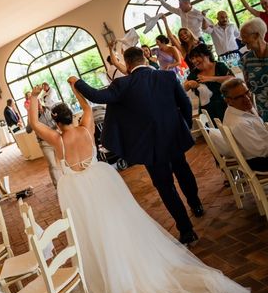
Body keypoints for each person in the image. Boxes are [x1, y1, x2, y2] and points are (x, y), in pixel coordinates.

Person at [28, 78, 250, 293]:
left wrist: (34, 97)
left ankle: (108, 275)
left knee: (91, 234)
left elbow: (34, 124)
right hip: (102, 180)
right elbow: (87, 103)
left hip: (79, 192)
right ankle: (132, 260)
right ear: (71, 115)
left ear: (57, 123)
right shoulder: (85, 127)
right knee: (121, 223)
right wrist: (75, 87)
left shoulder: (58, 140)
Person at [74, 47, 203, 246]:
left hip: (149, 145)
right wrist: (180, 128)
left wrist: (77, 82)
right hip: (173, 137)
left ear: (127, 64)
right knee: (183, 170)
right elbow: (185, 104)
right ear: (144, 59)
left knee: (165, 186)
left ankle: (186, 230)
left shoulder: (122, 84)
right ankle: (196, 205)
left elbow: (97, 97)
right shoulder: (166, 77)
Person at [221, 78, 268, 172]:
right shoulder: (239, 123)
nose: (247, 98)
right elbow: (261, 151)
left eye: (247, 92)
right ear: (228, 101)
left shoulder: (237, 109)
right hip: (260, 161)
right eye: (239, 97)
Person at [185, 44, 234, 122]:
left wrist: (211, 78)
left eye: (197, 56)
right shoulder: (194, 73)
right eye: (192, 58)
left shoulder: (219, 66)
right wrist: (189, 84)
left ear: (207, 55)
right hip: (206, 111)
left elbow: (232, 79)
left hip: (226, 106)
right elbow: (183, 88)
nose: (194, 61)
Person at [25, 99, 62, 187]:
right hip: (45, 143)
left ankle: (67, 182)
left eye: (37, 102)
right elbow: (28, 130)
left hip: (57, 140)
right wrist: (30, 118)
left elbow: (58, 121)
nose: (36, 105)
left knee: (63, 162)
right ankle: (58, 186)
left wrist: (57, 118)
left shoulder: (50, 109)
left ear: (40, 102)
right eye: (33, 105)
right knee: (53, 165)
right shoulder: (32, 116)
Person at [240, 17, 268, 121]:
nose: (242, 41)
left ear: (256, 35)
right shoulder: (246, 60)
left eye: (244, 37)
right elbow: (247, 86)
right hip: (263, 112)